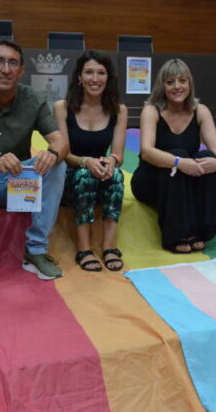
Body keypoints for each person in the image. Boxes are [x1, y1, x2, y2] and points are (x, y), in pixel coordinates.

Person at [0, 39, 69, 290]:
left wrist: (52, 153)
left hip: (19, 182)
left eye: (12, 63)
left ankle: (36, 250)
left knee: (57, 165)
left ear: (21, 71)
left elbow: (61, 142)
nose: (5, 69)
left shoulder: (34, 99)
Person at [131, 58, 216, 253]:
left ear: (190, 84)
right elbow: (147, 152)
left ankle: (201, 229)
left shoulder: (201, 111)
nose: (177, 86)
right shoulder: (151, 110)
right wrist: (178, 162)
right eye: (170, 82)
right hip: (151, 180)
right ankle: (176, 234)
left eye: (182, 80)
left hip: (183, 181)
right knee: (179, 154)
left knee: (207, 155)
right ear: (162, 86)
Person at [53, 50, 127, 272]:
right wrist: (86, 162)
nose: (95, 79)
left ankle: (109, 246)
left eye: (101, 73)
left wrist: (111, 161)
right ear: (79, 77)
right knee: (86, 176)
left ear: (108, 77)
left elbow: (118, 154)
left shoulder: (119, 110)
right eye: (89, 72)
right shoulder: (62, 107)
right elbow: (63, 153)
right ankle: (84, 249)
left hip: (101, 172)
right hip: (70, 177)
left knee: (117, 175)